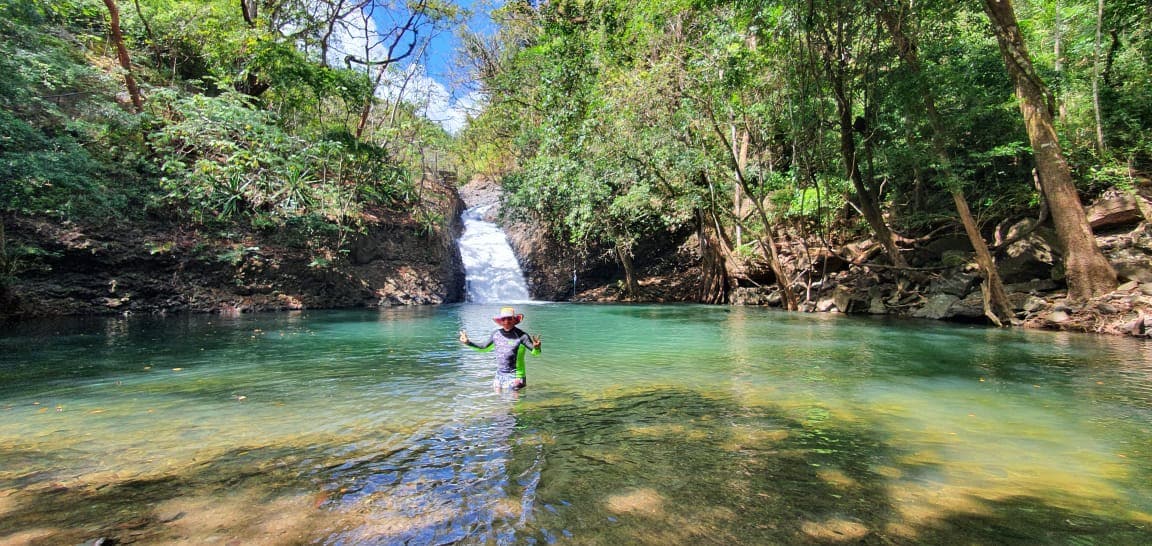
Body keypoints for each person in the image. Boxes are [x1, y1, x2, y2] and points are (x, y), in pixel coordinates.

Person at [459, 306, 541, 391]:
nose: (506, 321)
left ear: (514, 320)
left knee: (515, 402)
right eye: (504, 319)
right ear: (500, 321)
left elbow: (536, 353)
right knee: (498, 402)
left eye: (509, 318)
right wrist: (468, 343)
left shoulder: (522, 336)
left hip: (516, 376)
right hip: (499, 375)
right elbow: (484, 348)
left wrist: (537, 347)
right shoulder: (496, 334)